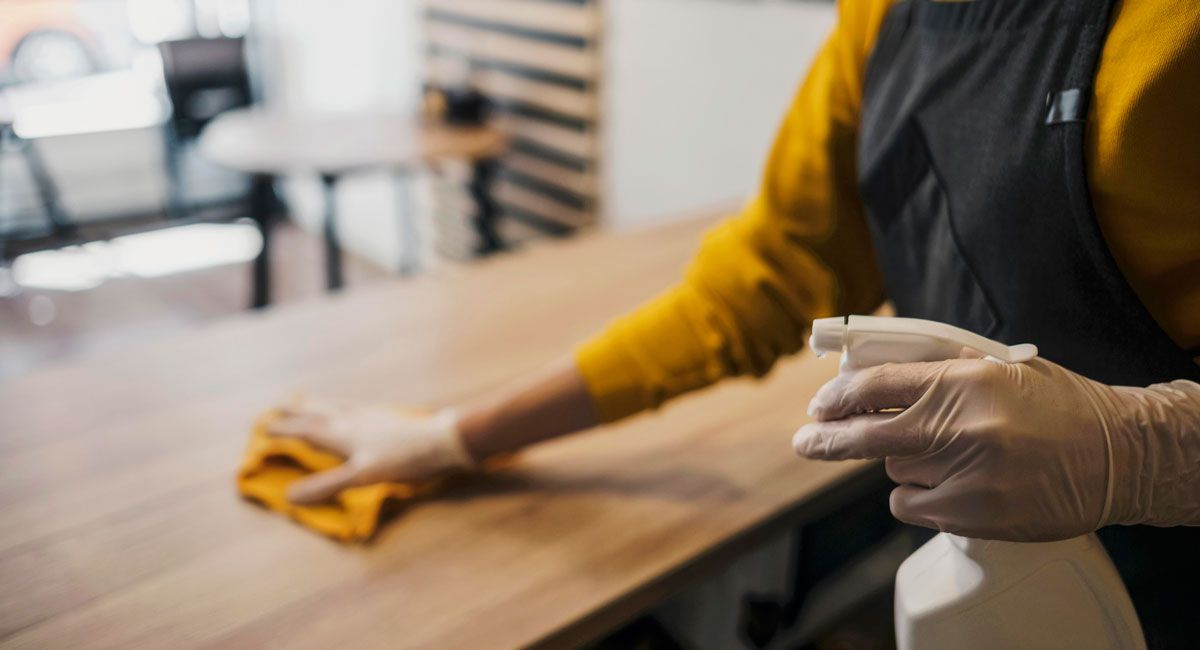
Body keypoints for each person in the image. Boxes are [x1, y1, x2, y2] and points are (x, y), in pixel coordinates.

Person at [268, 0, 1200, 645]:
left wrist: (1148, 450)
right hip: (1000, 582)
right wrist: (451, 438)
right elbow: (759, 282)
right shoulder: (885, 18)